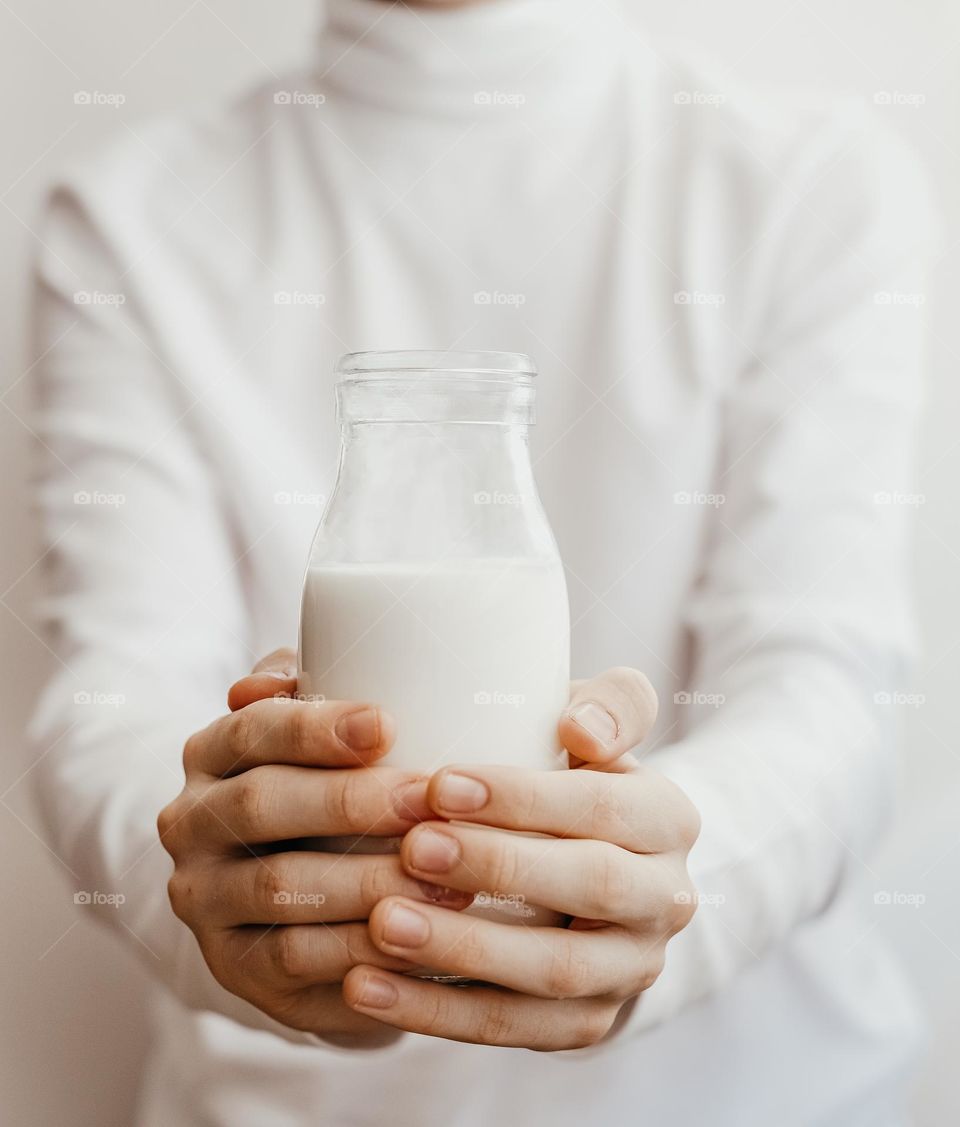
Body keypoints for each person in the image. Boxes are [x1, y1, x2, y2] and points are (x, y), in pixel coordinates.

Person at [28, 0, 935, 1124]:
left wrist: (658, 885)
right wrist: (237, 907)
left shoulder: (805, 182)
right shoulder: (131, 220)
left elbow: (830, 684)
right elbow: (110, 692)